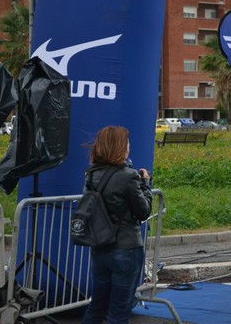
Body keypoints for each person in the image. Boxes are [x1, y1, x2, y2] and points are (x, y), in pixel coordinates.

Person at [82, 126, 153, 324]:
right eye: (127, 143)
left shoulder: (90, 175)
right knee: (118, 312)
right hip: (126, 248)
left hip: (99, 246)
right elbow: (143, 211)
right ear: (121, 147)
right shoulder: (128, 176)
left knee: (97, 306)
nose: (129, 147)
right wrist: (146, 185)